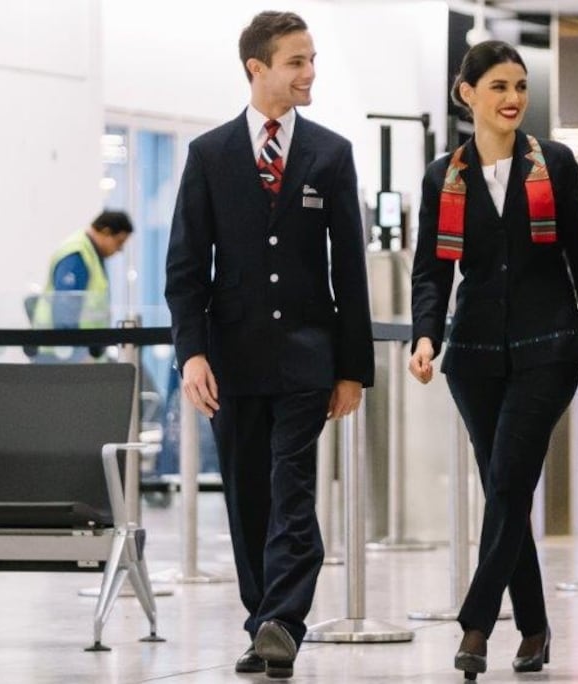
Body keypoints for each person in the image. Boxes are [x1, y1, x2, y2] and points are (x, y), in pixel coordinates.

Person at [164, 11, 373, 680]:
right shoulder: (210, 155)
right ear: (257, 68)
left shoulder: (331, 155)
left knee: (291, 488)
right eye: (296, 62)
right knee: (247, 497)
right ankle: (264, 624)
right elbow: (186, 268)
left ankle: (283, 618)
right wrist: (192, 353)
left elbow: (353, 272)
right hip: (232, 360)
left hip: (308, 358)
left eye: (312, 59)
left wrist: (353, 370)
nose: (309, 72)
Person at [408, 40, 578, 680]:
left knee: (511, 481)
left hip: (549, 349)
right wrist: (426, 335)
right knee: (504, 491)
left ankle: (475, 625)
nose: (514, 98)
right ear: (467, 94)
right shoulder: (445, 175)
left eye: (520, 85)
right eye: (498, 86)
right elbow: (432, 269)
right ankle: (536, 627)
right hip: (474, 356)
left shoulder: (557, 164)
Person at [31, 210, 133, 359]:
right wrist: (75, 352)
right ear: (106, 232)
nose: (119, 249)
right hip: (62, 355)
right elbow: (65, 309)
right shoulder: (77, 255)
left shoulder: (90, 254)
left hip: (77, 352)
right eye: (119, 242)